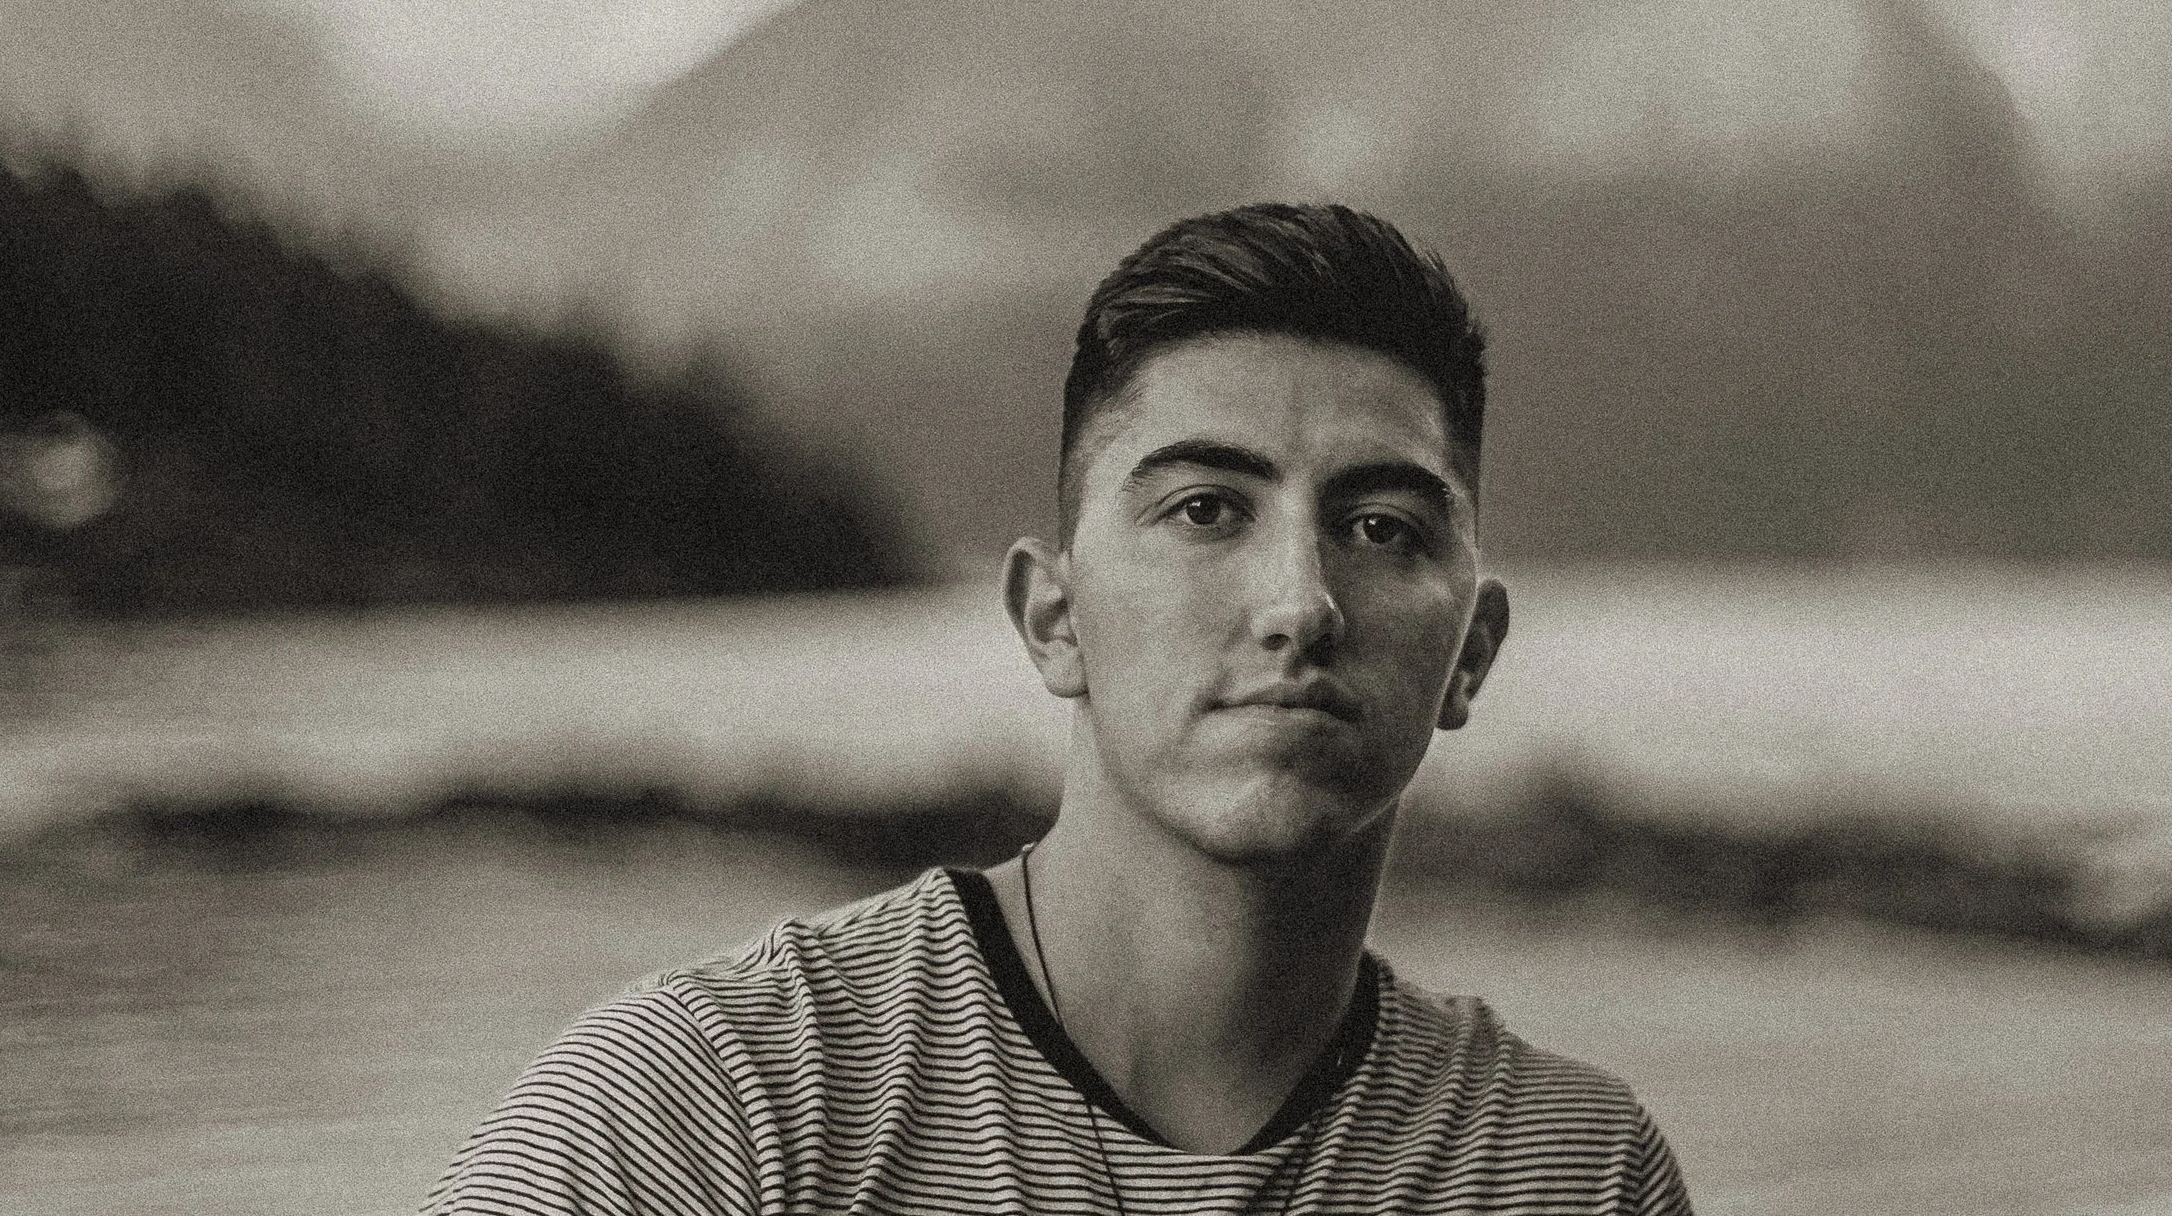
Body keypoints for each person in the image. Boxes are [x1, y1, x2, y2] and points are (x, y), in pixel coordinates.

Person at [424, 203, 1693, 1214]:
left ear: (1470, 651)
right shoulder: (721, 1104)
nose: (1299, 601)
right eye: (1206, 508)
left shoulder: (1565, 1171)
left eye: (1379, 526)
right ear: (1053, 615)